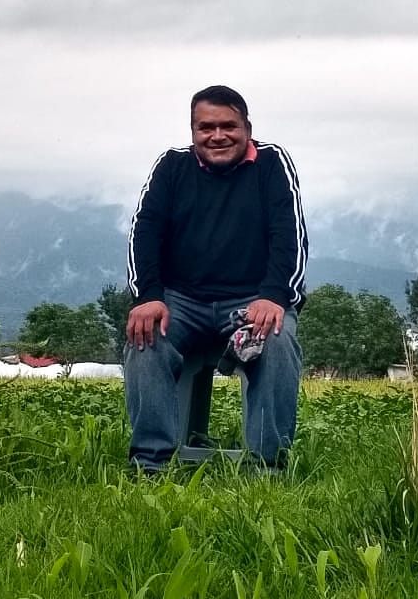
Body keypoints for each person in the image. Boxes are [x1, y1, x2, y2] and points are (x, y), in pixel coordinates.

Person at [123, 85, 308, 472]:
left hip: (251, 301)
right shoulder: (172, 166)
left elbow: (288, 234)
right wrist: (147, 296)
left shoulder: (273, 163)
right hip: (181, 301)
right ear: (193, 131)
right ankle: (150, 465)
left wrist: (274, 296)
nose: (218, 135)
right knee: (145, 336)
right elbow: (146, 229)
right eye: (206, 127)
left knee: (277, 340)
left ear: (247, 127)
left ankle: (269, 467)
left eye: (229, 126)